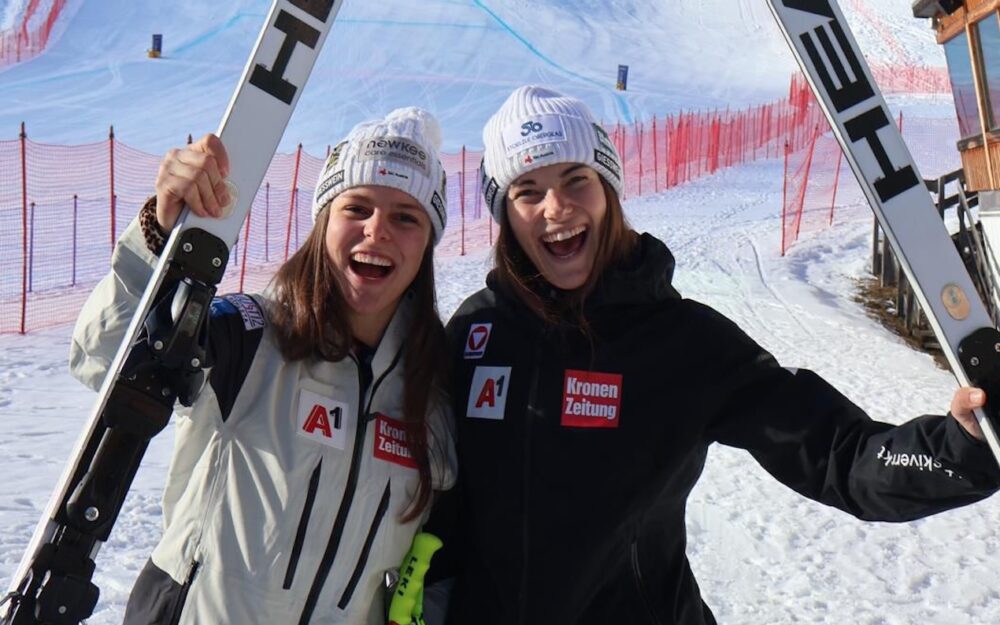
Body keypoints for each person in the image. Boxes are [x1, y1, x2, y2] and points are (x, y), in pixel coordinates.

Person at [425, 85, 1000, 625]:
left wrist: (963, 446)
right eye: (527, 190)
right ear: (504, 214)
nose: (555, 207)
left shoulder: (681, 341)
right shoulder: (478, 331)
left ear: (608, 190)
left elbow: (837, 456)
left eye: (576, 179)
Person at [69, 108, 456, 624]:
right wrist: (160, 235)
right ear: (323, 222)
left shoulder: (433, 393)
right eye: (356, 208)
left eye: (406, 216)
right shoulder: (249, 336)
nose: (377, 230)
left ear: (427, 242)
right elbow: (106, 356)